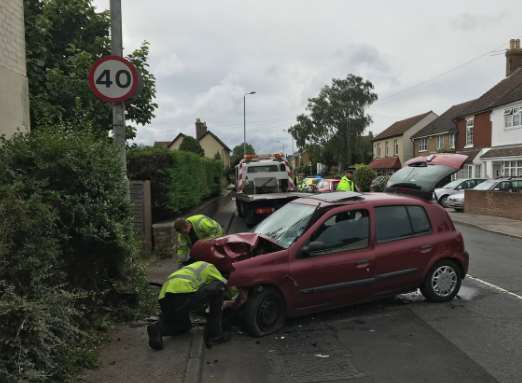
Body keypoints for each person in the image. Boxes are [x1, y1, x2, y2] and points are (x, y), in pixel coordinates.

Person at [147, 261, 242, 350]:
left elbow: (202, 294)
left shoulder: (193, 266)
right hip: (183, 292)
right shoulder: (211, 268)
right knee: (219, 288)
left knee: (184, 326)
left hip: (165, 297)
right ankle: (215, 334)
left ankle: (158, 329)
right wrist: (232, 301)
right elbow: (225, 285)